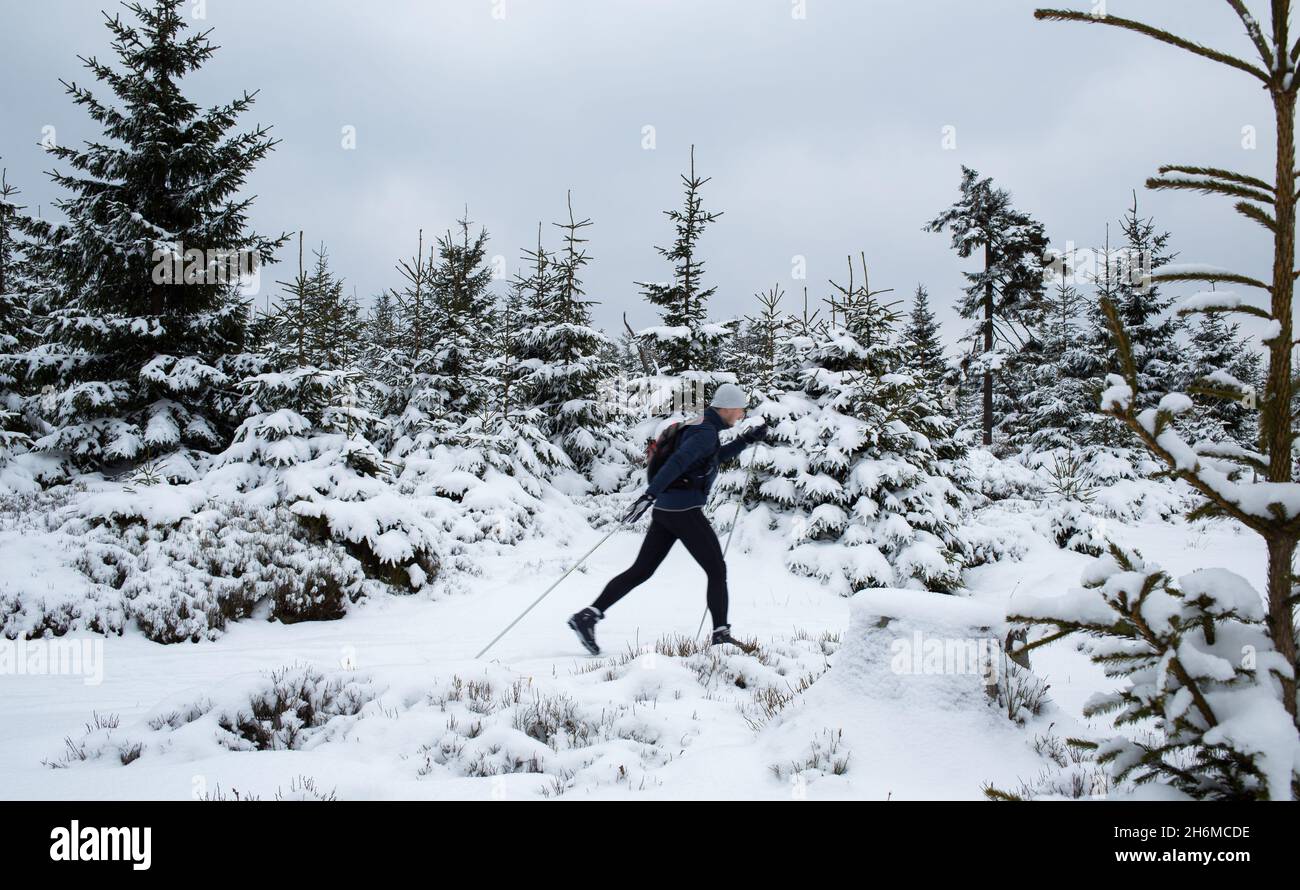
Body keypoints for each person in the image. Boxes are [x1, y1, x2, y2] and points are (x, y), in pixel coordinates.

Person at [567, 383, 767, 655]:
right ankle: (721, 635)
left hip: (666, 510)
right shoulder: (705, 432)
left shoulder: (701, 427)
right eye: (740, 410)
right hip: (683, 510)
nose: (741, 415)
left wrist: (746, 441)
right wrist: (649, 495)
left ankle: (588, 616)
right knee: (717, 569)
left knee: (642, 570)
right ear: (728, 408)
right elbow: (678, 463)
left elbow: (711, 458)